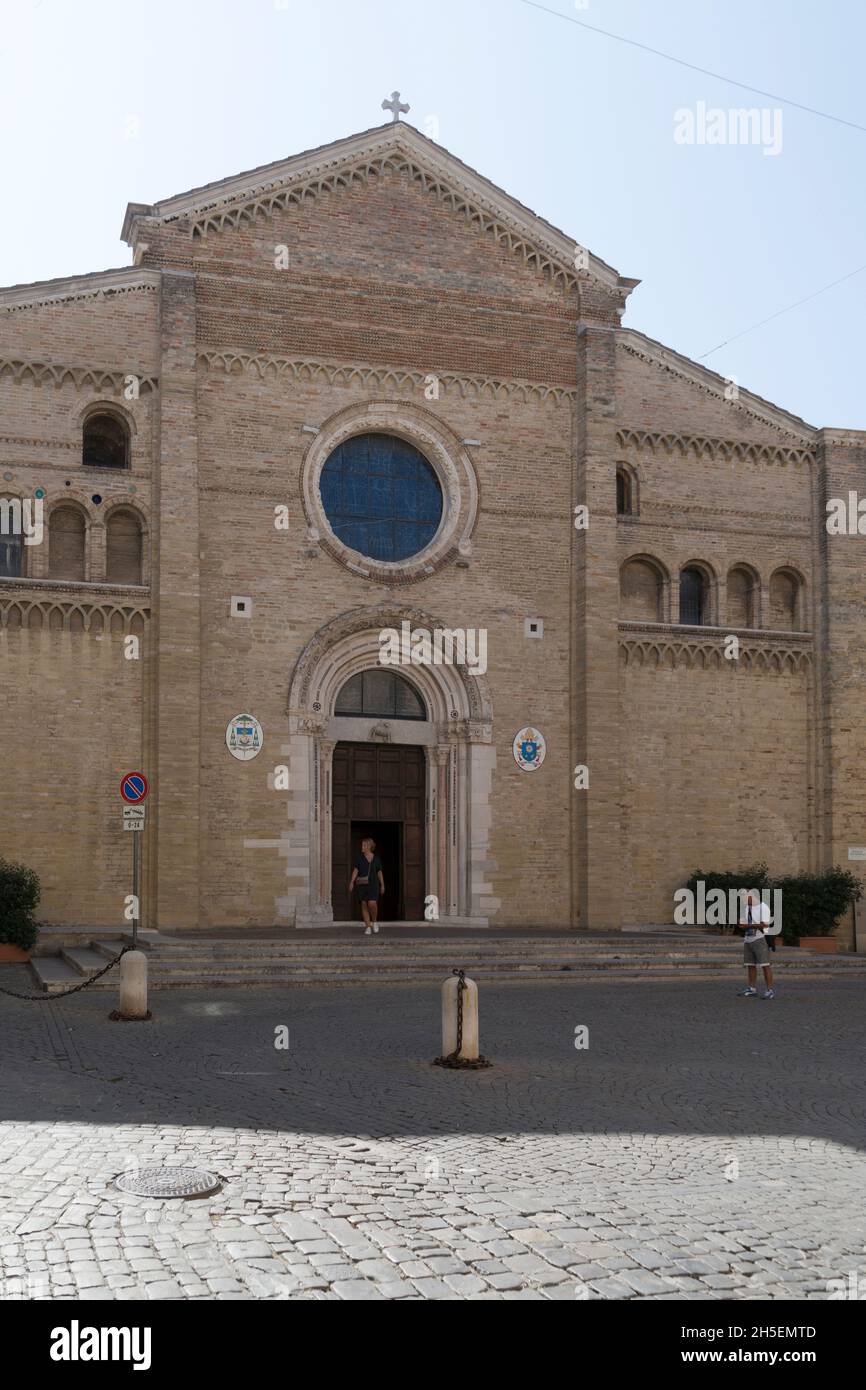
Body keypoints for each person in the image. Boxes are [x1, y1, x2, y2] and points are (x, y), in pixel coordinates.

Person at [737, 890, 775, 999]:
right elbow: (746, 922)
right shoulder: (747, 907)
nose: (743, 901)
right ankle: (752, 989)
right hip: (748, 939)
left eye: (745, 898)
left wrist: (748, 926)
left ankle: (769, 990)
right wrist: (741, 923)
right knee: (750, 964)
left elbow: (765, 924)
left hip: (761, 939)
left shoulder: (763, 908)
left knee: (765, 965)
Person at [349, 838, 385, 936]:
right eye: (362, 845)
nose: (362, 847)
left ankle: (374, 921)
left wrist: (382, 884)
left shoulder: (376, 859)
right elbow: (355, 871)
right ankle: (368, 926)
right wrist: (352, 882)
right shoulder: (359, 858)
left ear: (369, 847)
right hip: (362, 885)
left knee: (372, 903)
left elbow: (379, 872)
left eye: (364, 845)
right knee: (364, 905)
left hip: (373, 885)